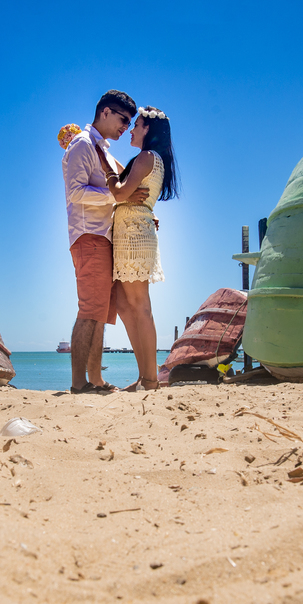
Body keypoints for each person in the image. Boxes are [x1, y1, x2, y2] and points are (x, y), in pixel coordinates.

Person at [62, 90, 149, 394]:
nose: (126, 127)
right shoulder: (83, 145)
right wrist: (115, 196)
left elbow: (118, 194)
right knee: (90, 310)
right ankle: (78, 384)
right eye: (123, 120)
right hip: (89, 236)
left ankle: (95, 381)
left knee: (100, 312)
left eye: (129, 122)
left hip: (104, 237)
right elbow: (75, 193)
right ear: (106, 112)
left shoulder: (102, 149)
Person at [103, 106, 180, 391]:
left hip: (135, 234)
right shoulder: (148, 159)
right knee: (125, 305)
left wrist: (111, 180)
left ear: (148, 129)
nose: (131, 129)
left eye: (136, 124)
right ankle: (144, 376)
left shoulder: (148, 157)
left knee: (140, 306)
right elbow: (127, 192)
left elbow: (121, 193)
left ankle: (150, 380)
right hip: (131, 232)